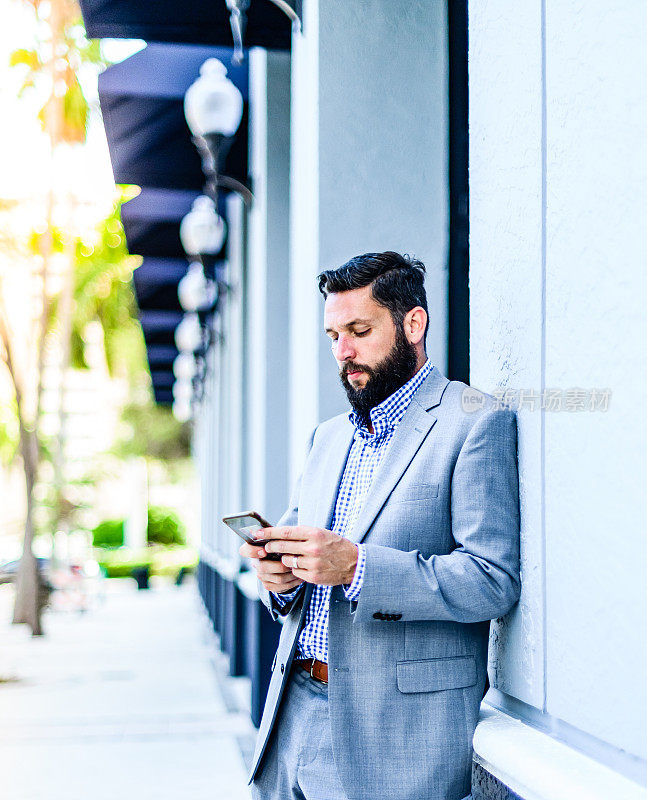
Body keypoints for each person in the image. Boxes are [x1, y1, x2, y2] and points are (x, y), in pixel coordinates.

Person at [239, 251, 521, 800]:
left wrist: (359, 568)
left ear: (413, 323)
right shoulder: (327, 438)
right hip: (291, 713)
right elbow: (302, 549)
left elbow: (492, 580)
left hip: (394, 738)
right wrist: (281, 577)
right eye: (333, 335)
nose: (343, 352)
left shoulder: (475, 422)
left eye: (359, 331)